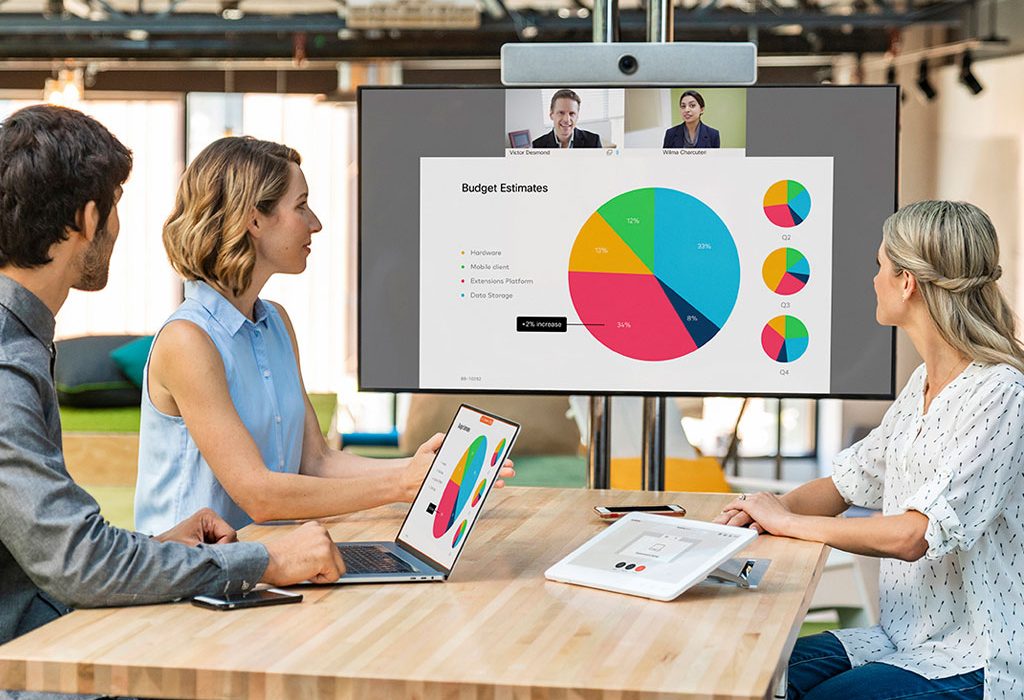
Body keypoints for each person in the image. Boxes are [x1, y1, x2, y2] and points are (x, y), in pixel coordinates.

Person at [0, 105, 346, 651]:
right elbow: (76, 561)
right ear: (90, 219)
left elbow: (55, 551)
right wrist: (261, 559)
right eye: (115, 210)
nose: (117, 227)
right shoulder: (7, 364)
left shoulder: (23, 343)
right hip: (36, 660)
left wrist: (172, 552)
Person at [715, 201, 1024, 699]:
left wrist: (789, 523)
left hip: (976, 658)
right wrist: (759, 512)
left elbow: (914, 535)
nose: (873, 279)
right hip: (899, 639)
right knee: (749, 674)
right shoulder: (924, 382)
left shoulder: (1001, 393)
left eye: (880, 266)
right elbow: (847, 483)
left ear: (908, 283)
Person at [133, 136, 515, 535]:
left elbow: (315, 462)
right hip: (184, 580)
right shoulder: (188, 340)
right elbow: (259, 495)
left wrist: (426, 468)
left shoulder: (275, 322)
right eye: (300, 206)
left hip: (257, 562)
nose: (315, 222)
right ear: (255, 220)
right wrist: (402, 485)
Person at [531, 89, 602, 149]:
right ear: (551, 115)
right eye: (561, 113)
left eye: (572, 113)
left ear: (577, 116)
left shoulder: (593, 142)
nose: (566, 120)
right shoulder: (537, 145)